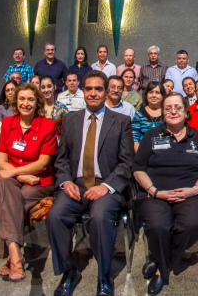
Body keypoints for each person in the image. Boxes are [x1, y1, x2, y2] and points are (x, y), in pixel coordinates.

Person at [47, 70, 134, 296]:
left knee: (99, 217)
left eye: (98, 89)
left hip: (106, 185)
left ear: (106, 92)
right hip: (75, 184)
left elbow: (126, 163)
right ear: (82, 91)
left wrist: (106, 186)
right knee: (55, 216)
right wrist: (65, 181)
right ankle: (68, 271)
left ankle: (104, 275)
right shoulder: (70, 119)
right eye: (89, 89)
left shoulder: (121, 121)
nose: (93, 93)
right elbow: (62, 158)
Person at [133, 92, 198, 295]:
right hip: (156, 193)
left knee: (192, 225)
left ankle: (161, 262)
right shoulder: (152, 135)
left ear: (186, 111)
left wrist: (194, 190)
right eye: (168, 107)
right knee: (157, 226)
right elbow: (138, 168)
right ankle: (167, 266)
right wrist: (154, 191)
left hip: (191, 193)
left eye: (178, 107)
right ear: (162, 112)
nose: (173, 111)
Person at [0, 83, 58, 282]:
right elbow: (1, 160)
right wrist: (20, 176)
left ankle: (12, 256)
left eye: (30, 99)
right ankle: (15, 257)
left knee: (5, 202)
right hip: (15, 179)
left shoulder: (47, 125)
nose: (25, 103)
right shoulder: (7, 123)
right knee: (4, 188)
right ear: (15, 101)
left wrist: (15, 173)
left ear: (37, 101)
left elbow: (43, 163)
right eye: (21, 99)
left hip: (39, 182)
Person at [132, 82, 165, 152]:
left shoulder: (167, 114)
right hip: (143, 155)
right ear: (146, 95)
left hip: (164, 155)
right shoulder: (139, 114)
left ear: (163, 95)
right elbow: (135, 139)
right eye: (151, 92)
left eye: (157, 92)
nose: (154, 95)